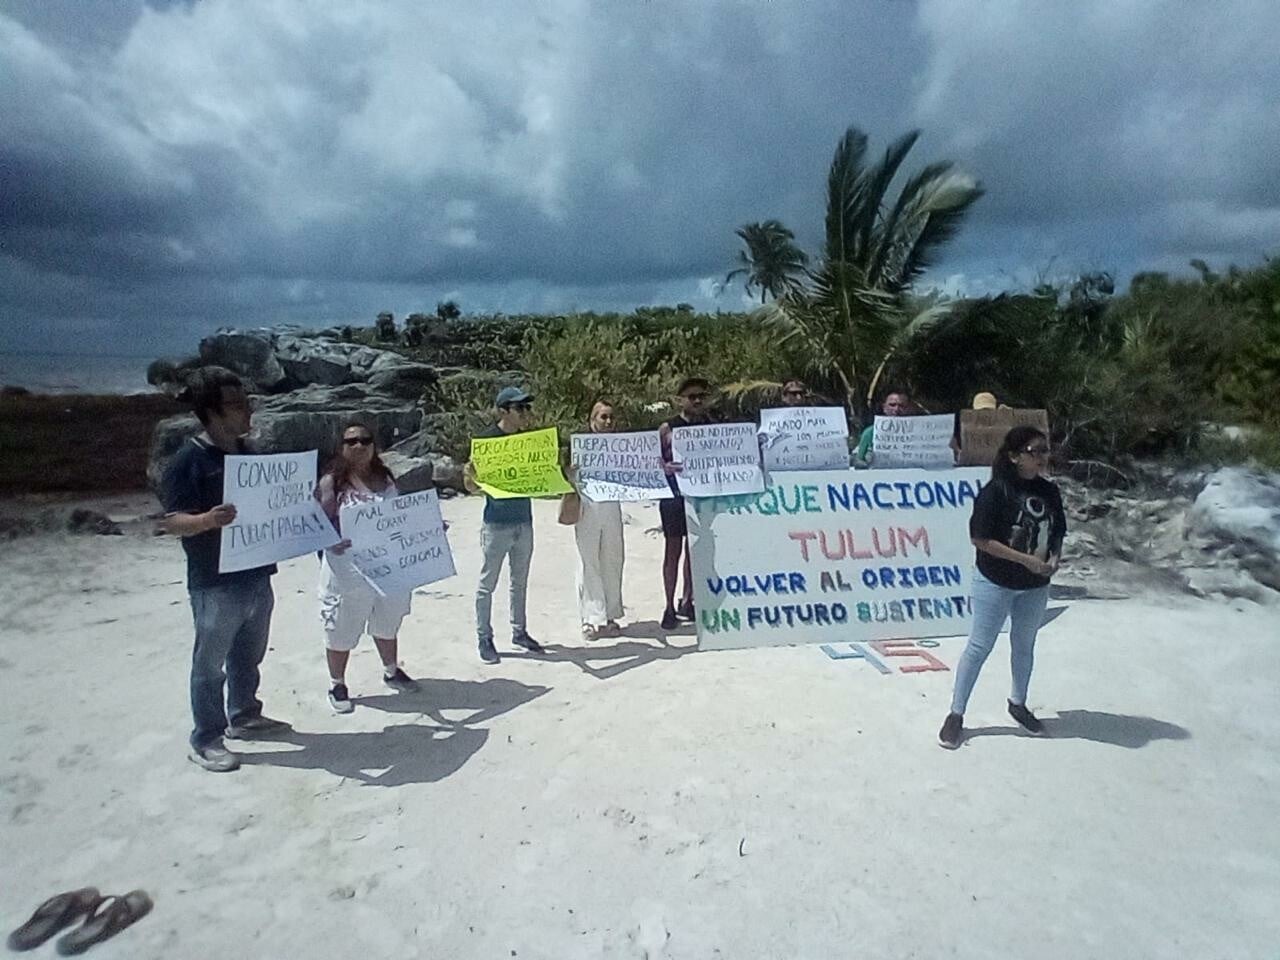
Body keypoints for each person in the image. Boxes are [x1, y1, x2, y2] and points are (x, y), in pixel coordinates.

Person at [160, 367, 290, 772]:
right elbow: (171, 521)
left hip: (257, 573)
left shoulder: (250, 455)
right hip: (214, 582)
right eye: (236, 404)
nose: (248, 410)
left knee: (248, 654)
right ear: (212, 412)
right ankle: (206, 738)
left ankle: (244, 714)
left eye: (247, 402)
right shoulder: (188, 461)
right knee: (209, 665)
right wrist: (207, 520)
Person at [938, 425, 1066, 749]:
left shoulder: (1049, 491)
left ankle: (1018, 703)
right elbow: (981, 539)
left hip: (1035, 585)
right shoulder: (995, 492)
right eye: (1034, 451)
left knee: (1024, 645)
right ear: (1014, 456)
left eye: (1044, 450)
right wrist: (1024, 559)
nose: (1041, 457)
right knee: (979, 646)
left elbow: (1057, 531)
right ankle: (956, 714)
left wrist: (1054, 557)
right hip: (995, 582)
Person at [316, 421, 421, 714]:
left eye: (365, 440)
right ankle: (337, 684)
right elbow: (316, 524)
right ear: (341, 447)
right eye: (351, 441)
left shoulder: (385, 479)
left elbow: (399, 517)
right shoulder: (331, 483)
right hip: (346, 570)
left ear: (374, 445)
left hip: (387, 566)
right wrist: (330, 541)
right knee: (341, 626)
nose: (359, 445)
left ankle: (391, 670)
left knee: (388, 619)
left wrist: (427, 528)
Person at [463, 386, 544, 664]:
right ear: (503, 410)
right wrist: (470, 475)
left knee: (519, 582)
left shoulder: (528, 442)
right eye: (519, 408)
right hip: (496, 522)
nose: (525, 413)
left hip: (524, 520)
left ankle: (519, 632)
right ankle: (484, 637)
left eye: (526, 407)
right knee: (488, 583)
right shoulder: (486, 441)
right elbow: (472, 486)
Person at [657, 377, 712, 630]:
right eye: (692, 396)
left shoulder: (711, 426)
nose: (697, 400)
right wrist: (665, 467)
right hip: (673, 496)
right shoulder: (667, 428)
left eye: (701, 396)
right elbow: (652, 462)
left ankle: (688, 600)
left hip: (700, 496)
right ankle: (669, 605)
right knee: (673, 551)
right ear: (681, 400)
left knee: (694, 551)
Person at [573, 400, 626, 641]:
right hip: (587, 508)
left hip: (612, 507)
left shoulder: (621, 448)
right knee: (589, 562)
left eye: (611, 417)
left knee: (613, 559)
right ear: (592, 420)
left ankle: (611, 614)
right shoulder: (581, 447)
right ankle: (590, 618)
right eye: (603, 417)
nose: (608, 422)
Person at [855, 388, 909, 465]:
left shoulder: (919, 433)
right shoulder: (870, 433)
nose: (896, 409)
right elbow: (859, 459)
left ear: (908, 408)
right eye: (892, 405)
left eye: (902, 406)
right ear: (884, 407)